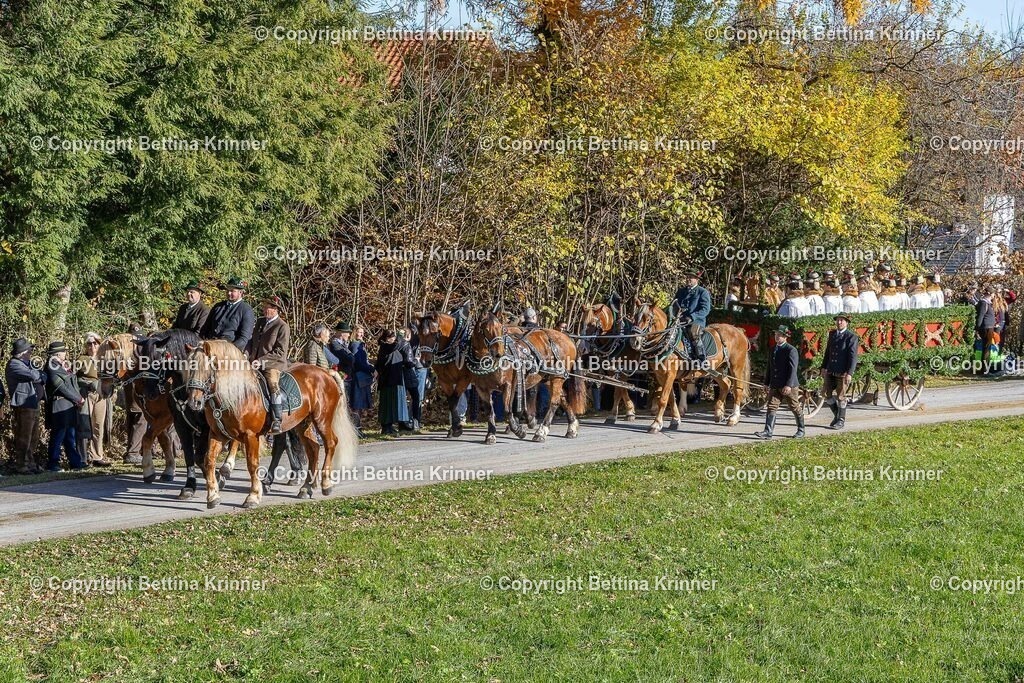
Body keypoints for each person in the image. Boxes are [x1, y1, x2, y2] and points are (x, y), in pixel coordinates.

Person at [249, 295, 290, 433]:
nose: (265, 309)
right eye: (264, 306)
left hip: (273, 364)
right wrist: (245, 354)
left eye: (268, 307)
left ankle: (277, 419)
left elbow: (280, 351)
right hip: (253, 361)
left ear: (276, 309)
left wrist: (260, 361)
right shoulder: (260, 322)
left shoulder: (282, 326)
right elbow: (252, 341)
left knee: (272, 383)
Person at [43, 341, 87, 471]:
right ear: (57, 353)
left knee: (70, 436)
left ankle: (75, 462)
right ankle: (53, 463)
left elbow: (71, 382)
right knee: (58, 435)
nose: (65, 354)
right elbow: (62, 387)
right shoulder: (52, 366)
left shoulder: (60, 366)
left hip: (68, 404)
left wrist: (76, 399)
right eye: (64, 352)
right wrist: (78, 399)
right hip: (59, 404)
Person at [754, 325, 804, 440]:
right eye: (776, 334)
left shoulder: (791, 350)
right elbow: (769, 368)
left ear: (785, 337)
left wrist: (789, 385)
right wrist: (766, 383)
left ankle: (801, 430)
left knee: (794, 406)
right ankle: (768, 431)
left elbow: (793, 369)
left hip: (788, 385)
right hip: (775, 384)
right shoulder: (773, 349)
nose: (777, 337)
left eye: (780, 335)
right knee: (771, 406)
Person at [6, 338, 44, 474]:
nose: (31, 353)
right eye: (29, 350)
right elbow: (33, 375)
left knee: (34, 436)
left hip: (32, 403)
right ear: (22, 352)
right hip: (23, 405)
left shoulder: (26, 364)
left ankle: (31, 463)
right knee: (24, 436)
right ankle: (21, 465)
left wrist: (39, 374)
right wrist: (38, 374)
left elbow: (41, 374)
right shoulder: (14, 365)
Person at [75, 332, 112, 466]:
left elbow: (111, 377)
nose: (92, 346)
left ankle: (97, 456)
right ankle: (82, 458)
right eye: (89, 343)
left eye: (95, 343)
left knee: (98, 426)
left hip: (101, 395)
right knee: (84, 424)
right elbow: (74, 378)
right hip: (86, 394)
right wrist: (87, 383)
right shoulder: (82, 359)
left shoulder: (104, 359)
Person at [822, 314, 859, 430]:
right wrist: (823, 367)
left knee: (841, 396)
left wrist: (850, 373)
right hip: (831, 369)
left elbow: (853, 357)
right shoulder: (832, 334)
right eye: (838, 320)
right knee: (826, 394)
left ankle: (841, 421)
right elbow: (827, 352)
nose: (839, 322)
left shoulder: (851, 337)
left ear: (847, 323)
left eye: (841, 321)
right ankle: (837, 415)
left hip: (843, 371)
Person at [201, 277, 255, 351]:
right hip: (210, 347)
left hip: (230, 351)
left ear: (240, 292)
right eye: (228, 290)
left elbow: (244, 338)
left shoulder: (246, 310)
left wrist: (228, 349)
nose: (229, 293)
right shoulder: (218, 306)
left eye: (232, 291)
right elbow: (205, 328)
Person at [375, 330, 411, 436]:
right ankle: (386, 427)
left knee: (399, 402)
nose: (392, 339)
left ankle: (402, 424)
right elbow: (393, 347)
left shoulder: (396, 346)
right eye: (390, 337)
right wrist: (400, 337)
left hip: (398, 378)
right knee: (387, 404)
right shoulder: (385, 347)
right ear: (385, 339)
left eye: (393, 337)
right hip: (387, 380)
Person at [672, 271, 712, 362]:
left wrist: (692, 317)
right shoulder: (681, 291)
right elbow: (674, 305)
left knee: (693, 333)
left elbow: (705, 309)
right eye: (687, 277)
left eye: (691, 277)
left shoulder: (702, 292)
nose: (688, 279)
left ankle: (701, 358)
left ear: (697, 279)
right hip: (680, 320)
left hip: (696, 321)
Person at [401, 326, 425, 431]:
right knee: (416, 397)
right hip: (409, 374)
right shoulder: (406, 345)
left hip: (401, 374)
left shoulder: (397, 344)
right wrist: (416, 360)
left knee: (403, 398)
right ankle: (415, 421)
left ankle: (403, 422)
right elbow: (409, 363)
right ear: (408, 336)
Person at [975, 288, 996, 367]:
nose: (994, 295)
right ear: (990, 294)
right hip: (986, 328)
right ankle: (985, 369)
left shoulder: (988, 303)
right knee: (986, 348)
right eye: (993, 293)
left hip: (989, 327)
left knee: (987, 348)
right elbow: (980, 316)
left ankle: (985, 368)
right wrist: (977, 329)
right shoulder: (984, 303)